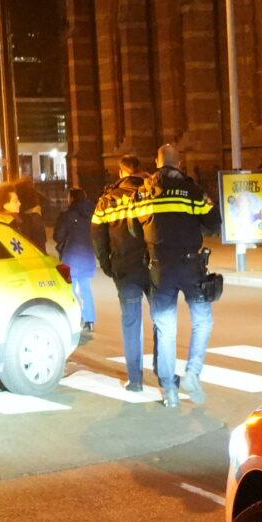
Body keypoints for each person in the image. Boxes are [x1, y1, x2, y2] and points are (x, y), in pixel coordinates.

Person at [139, 143, 216, 408]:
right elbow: (214, 221)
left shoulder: (144, 192)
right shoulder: (192, 190)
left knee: (165, 328)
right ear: (180, 163)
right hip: (190, 265)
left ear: (157, 162)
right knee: (203, 320)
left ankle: (169, 392)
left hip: (160, 267)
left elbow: (135, 228)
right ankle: (192, 373)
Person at [92, 156, 154, 396]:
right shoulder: (151, 192)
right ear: (139, 170)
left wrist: (106, 262)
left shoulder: (107, 199)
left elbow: (97, 235)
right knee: (161, 320)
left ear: (121, 172)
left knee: (131, 322)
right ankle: (165, 373)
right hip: (152, 265)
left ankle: (135, 380)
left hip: (124, 267)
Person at [57, 184, 99, 340]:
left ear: (72, 198)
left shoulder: (68, 215)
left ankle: (73, 318)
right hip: (88, 255)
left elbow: (58, 235)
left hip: (70, 256)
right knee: (86, 288)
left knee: (70, 289)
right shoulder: (93, 213)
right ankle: (90, 320)